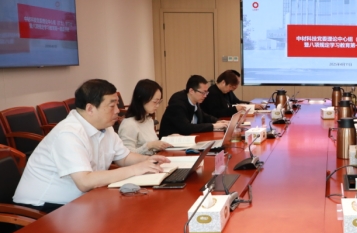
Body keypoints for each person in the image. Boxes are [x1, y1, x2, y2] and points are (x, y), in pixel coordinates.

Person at [13, 79, 170, 213]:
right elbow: (85, 182)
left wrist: (148, 161)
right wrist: (136, 169)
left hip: (81, 201)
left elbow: (124, 157)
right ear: (90, 109)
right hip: (43, 208)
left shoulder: (105, 127)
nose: (118, 110)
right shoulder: (69, 133)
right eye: (112, 106)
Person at [159, 75, 229, 137]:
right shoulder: (177, 103)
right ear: (191, 91)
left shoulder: (194, 99)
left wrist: (218, 121)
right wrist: (213, 126)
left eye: (206, 92)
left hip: (189, 138)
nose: (205, 96)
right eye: (203, 92)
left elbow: (203, 115)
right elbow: (187, 127)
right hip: (172, 142)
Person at [118, 79, 173, 155]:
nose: (157, 106)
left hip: (153, 159)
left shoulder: (148, 119)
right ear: (141, 98)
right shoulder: (129, 124)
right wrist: (149, 146)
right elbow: (126, 155)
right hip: (142, 162)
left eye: (159, 102)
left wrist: (169, 139)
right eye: (155, 102)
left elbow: (153, 143)